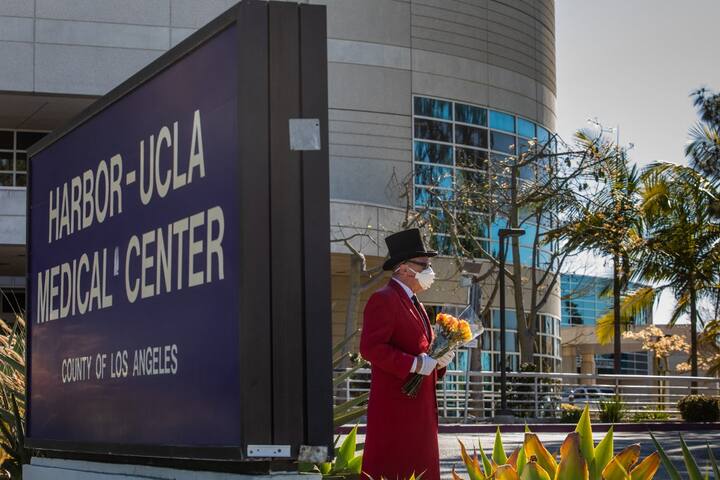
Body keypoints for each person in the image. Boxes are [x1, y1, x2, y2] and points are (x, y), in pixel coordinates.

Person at [359, 228, 455, 480]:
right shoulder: (384, 299)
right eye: (423, 264)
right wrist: (413, 364)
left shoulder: (418, 304)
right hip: (396, 412)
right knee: (396, 469)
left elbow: (424, 352)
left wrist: (440, 362)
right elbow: (370, 347)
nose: (429, 271)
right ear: (403, 267)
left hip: (420, 412)